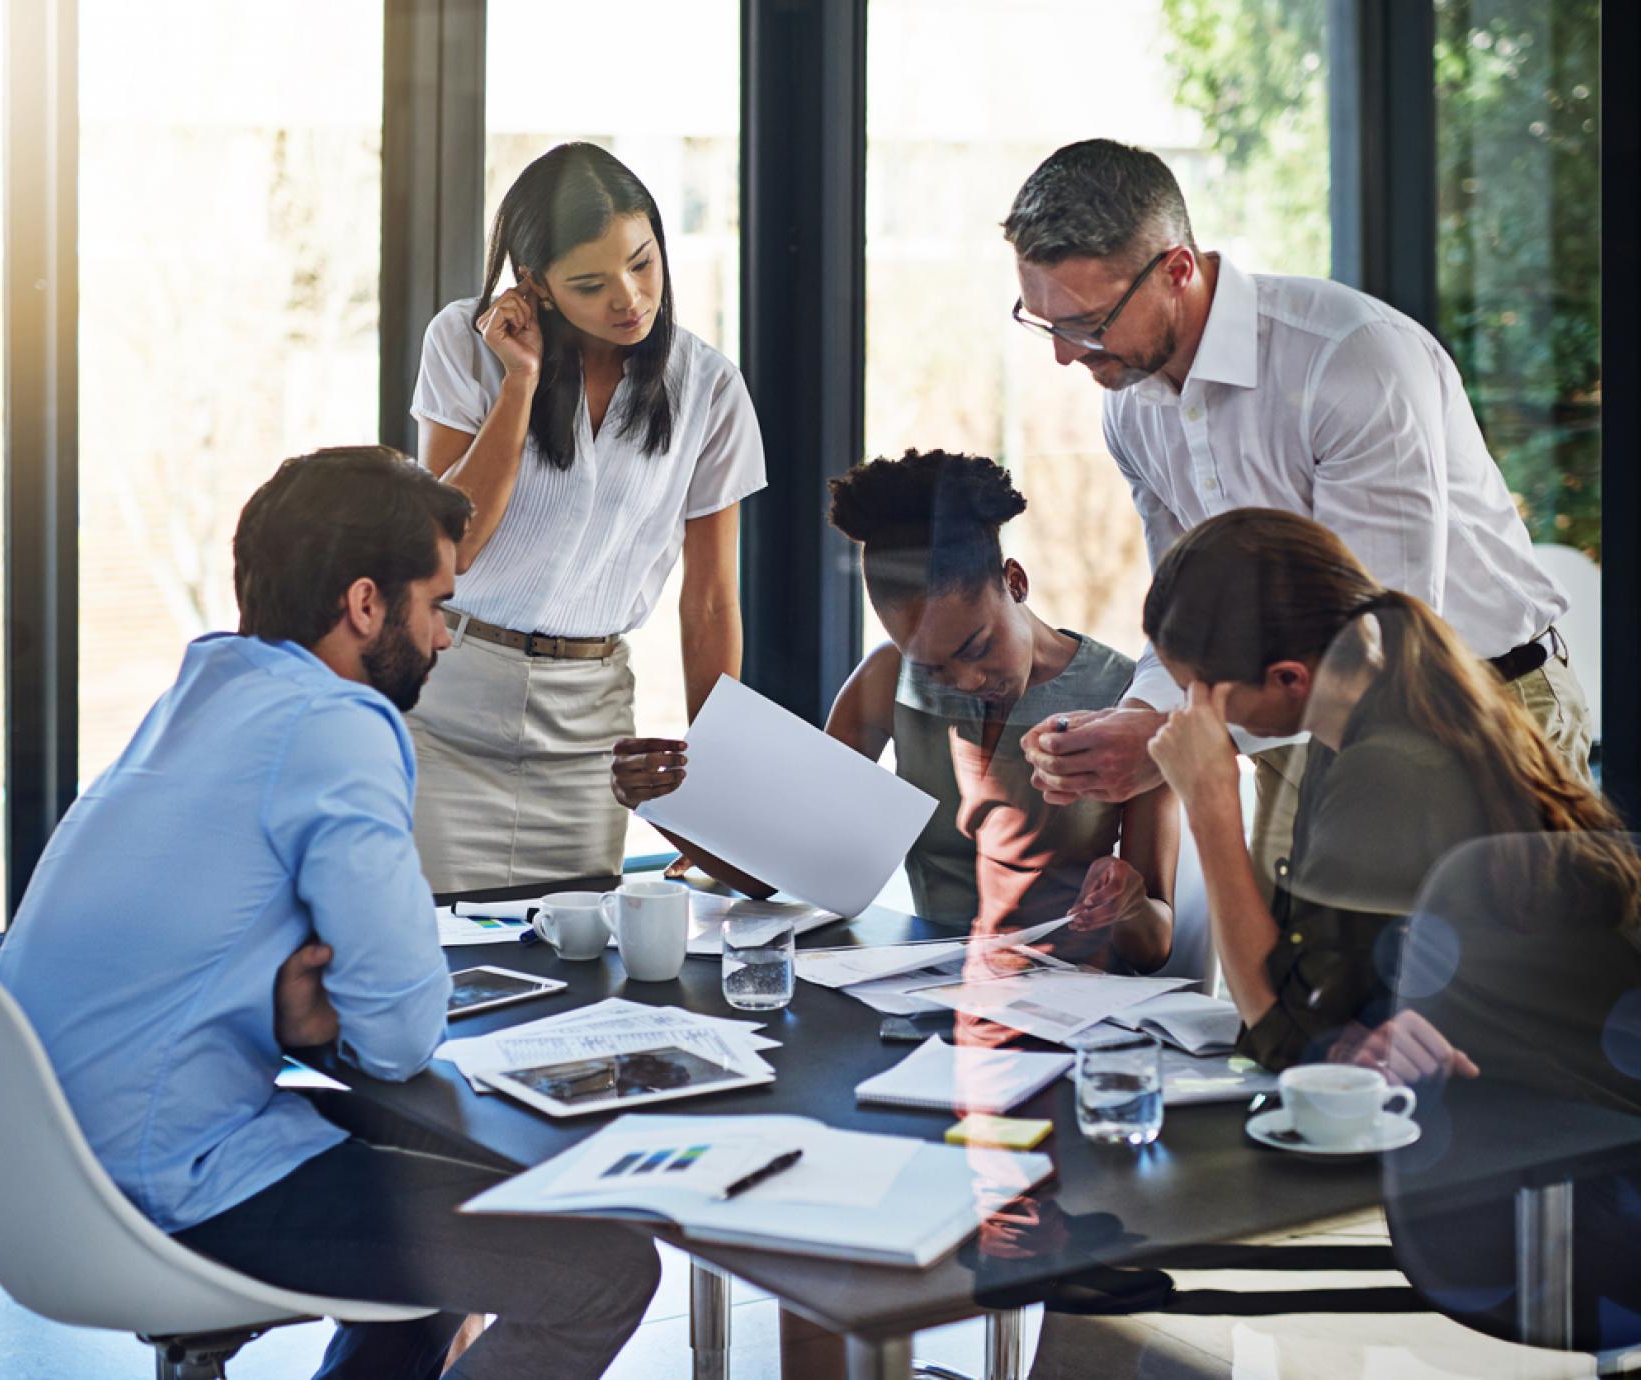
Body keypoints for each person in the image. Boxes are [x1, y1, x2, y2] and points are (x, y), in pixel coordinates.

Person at [0, 448, 660, 1380]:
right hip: (172, 1181)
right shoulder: (337, 723)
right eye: (437, 605)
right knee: (605, 1267)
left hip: (48, 1170)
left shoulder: (203, 692)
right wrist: (332, 1020)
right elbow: (398, 1036)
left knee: (461, 1208)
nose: (445, 639)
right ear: (364, 605)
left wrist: (297, 1020)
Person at [999, 138, 1587, 899]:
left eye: (1087, 322)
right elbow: (1186, 622)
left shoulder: (1350, 361)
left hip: (1473, 709)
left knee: (1484, 1004)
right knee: (1284, 998)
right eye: (1043, 322)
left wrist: (1178, 742)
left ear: (1178, 268)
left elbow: (1384, 638)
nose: (1065, 357)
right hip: (1288, 727)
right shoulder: (1132, 409)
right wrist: (1134, 719)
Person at [613, 450, 1176, 973]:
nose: (966, 681)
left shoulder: (1130, 701)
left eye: (977, 648)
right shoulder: (886, 680)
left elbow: (1153, 947)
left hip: (1072, 1003)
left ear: (1015, 581)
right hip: (917, 988)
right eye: (932, 667)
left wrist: (1126, 902)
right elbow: (783, 872)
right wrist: (663, 804)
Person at [1140, 506, 1633, 1071]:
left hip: (1550, 1111)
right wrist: (1328, 1030)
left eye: (1199, 693)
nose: (1190, 714)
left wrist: (1210, 802)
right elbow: (1314, 1002)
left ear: (1288, 678)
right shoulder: (1369, 719)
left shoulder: (1389, 768)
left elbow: (1285, 1033)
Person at [409, 142, 767, 893]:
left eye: (643, 262)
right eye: (590, 282)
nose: (630, 298)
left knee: (576, 968)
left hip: (589, 725)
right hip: (447, 713)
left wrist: (715, 796)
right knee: (443, 961)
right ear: (534, 285)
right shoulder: (462, 345)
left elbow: (709, 603)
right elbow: (453, 546)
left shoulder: (709, 388)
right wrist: (520, 382)